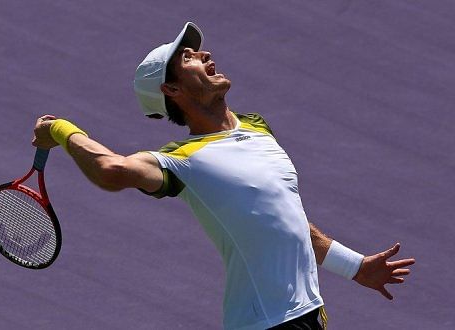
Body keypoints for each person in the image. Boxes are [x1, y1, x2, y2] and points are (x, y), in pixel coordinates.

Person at [32, 22, 415, 330]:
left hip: (308, 316)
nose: (205, 54)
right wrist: (62, 129)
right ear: (172, 89)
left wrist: (354, 267)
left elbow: (285, 219)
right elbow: (111, 169)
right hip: (268, 324)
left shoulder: (257, 127)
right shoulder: (182, 160)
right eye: (189, 57)